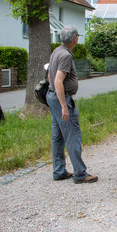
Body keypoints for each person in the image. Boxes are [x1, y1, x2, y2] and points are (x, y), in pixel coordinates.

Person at [46, 26, 98, 184]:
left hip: (52, 96)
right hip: (61, 99)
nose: (78, 38)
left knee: (57, 137)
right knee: (72, 134)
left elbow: (50, 75)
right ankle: (80, 174)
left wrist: (54, 97)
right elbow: (57, 81)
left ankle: (59, 171)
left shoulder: (56, 51)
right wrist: (63, 105)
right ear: (74, 38)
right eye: (78, 36)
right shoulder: (65, 56)